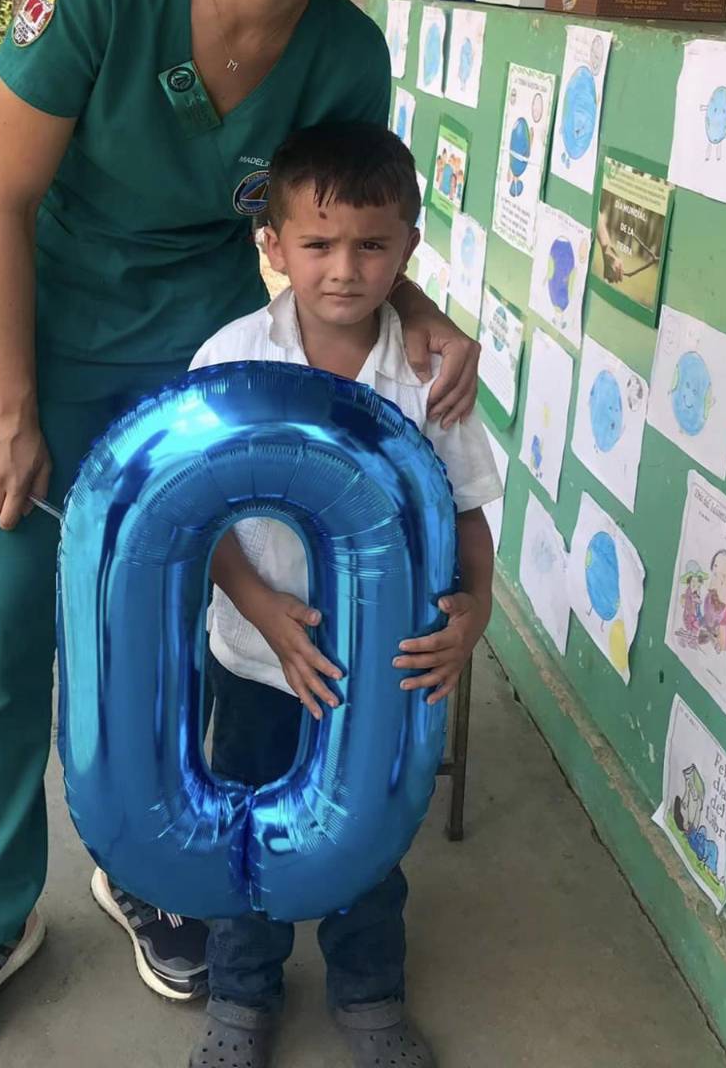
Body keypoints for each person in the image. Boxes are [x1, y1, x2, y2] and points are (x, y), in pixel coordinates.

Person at [0, 0, 482, 1066]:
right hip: (42, 328)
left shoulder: (344, 53)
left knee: (169, 622)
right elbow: (2, 202)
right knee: (7, 620)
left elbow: (339, 232)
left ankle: (150, 861)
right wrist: (11, 408)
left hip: (198, 352)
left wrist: (422, 310)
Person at [186, 122, 500, 1068]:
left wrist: (476, 612)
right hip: (256, 661)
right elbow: (194, 514)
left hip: (381, 669)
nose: (344, 269)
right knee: (244, 829)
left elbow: (468, 512)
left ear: (409, 249)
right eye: (317, 243)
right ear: (273, 246)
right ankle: (241, 997)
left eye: (371, 245)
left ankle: (369, 996)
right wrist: (257, 605)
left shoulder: (431, 378)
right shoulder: (231, 359)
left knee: (369, 839)